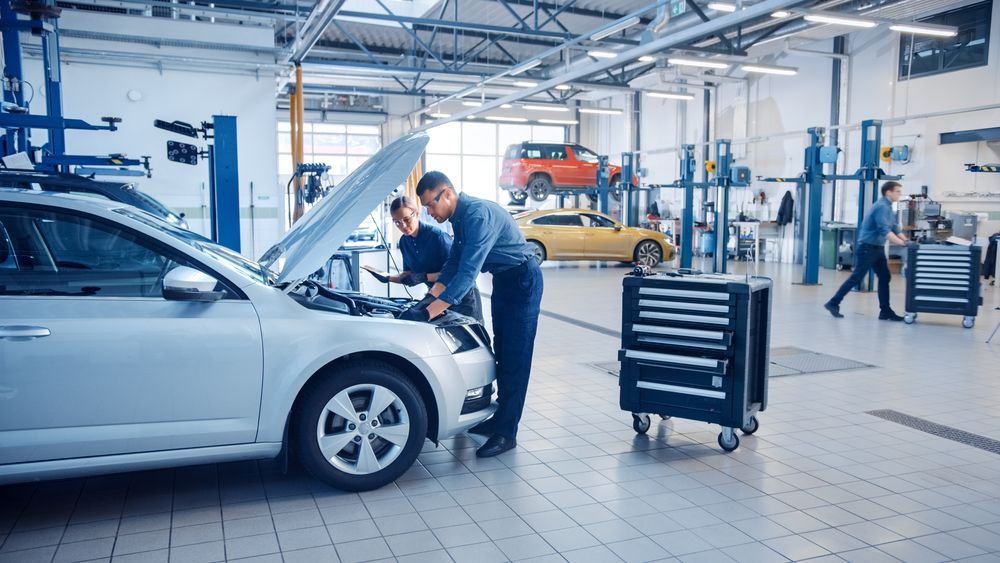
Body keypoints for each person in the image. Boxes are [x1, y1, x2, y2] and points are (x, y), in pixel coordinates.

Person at [404, 171, 543, 458]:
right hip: (505, 281)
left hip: (522, 281)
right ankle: (500, 419)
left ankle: (507, 433)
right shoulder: (459, 218)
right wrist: (427, 301)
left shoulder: (477, 215)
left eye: (431, 204)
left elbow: (468, 272)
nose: (429, 212)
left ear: (448, 194)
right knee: (502, 351)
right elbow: (453, 264)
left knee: (516, 355)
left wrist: (431, 312)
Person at [388, 196, 484, 323]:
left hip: (461, 296)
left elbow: (455, 273)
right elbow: (409, 273)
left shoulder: (438, 237)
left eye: (406, 219)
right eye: (397, 222)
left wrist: (423, 277)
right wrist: (388, 278)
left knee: (470, 337)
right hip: (435, 295)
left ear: (416, 213)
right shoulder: (404, 242)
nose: (403, 226)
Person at [825, 181, 907, 321]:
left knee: (885, 277)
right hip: (868, 248)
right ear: (888, 192)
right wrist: (902, 243)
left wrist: (906, 240)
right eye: (897, 191)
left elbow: (894, 227)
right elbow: (884, 230)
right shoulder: (881, 207)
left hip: (877, 248)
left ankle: (885, 311)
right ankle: (833, 303)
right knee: (856, 277)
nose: (899, 194)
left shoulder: (888, 207)